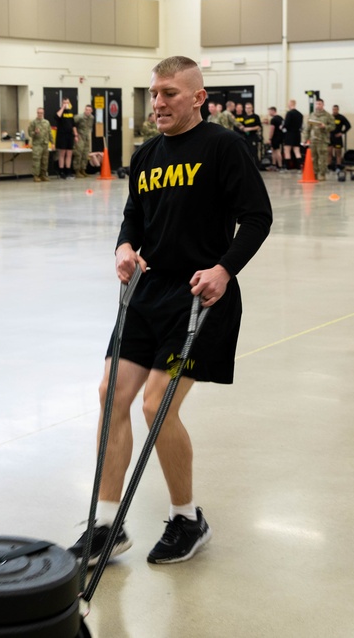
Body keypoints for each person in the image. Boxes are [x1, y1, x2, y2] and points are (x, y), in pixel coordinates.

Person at [66, 56, 272, 566]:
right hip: (146, 295)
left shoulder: (225, 147)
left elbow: (257, 218)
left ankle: (187, 518)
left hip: (201, 299)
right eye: (154, 93)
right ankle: (107, 526)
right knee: (110, 395)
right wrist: (123, 248)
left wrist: (225, 269)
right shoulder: (146, 154)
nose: (158, 102)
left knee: (157, 405)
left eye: (170, 93)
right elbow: (133, 215)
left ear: (198, 97)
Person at [302, 98, 334, 180]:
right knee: (314, 158)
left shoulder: (328, 116)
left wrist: (325, 127)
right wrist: (305, 139)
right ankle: (315, 174)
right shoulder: (312, 115)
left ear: (323, 105)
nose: (318, 105)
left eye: (320, 104)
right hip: (313, 140)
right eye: (317, 104)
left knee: (322, 158)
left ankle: (322, 174)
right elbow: (307, 128)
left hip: (322, 140)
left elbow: (333, 127)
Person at [27, 107, 52, 183]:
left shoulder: (47, 122)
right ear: (37, 113)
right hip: (37, 144)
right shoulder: (33, 123)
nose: (40, 114)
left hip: (45, 144)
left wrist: (53, 142)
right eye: (38, 113)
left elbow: (49, 133)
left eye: (41, 113)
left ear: (43, 113)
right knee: (36, 161)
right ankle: (36, 176)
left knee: (45, 161)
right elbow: (30, 133)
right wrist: (35, 132)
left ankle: (43, 175)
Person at [54, 98, 77, 179]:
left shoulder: (71, 112)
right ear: (62, 103)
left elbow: (73, 124)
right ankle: (61, 171)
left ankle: (68, 170)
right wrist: (63, 108)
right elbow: (56, 117)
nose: (66, 103)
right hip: (62, 135)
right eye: (64, 102)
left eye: (67, 102)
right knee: (62, 154)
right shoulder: (60, 111)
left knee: (69, 154)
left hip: (70, 135)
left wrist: (76, 135)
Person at [73, 104, 95, 179]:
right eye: (86, 110)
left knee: (85, 154)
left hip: (86, 137)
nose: (87, 111)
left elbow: (89, 127)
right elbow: (73, 125)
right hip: (79, 136)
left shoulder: (91, 118)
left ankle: (83, 169)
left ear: (91, 111)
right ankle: (77, 171)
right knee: (78, 153)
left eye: (89, 110)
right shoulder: (79, 117)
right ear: (84, 110)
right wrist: (75, 134)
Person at [282, 100, 304, 170]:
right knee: (297, 150)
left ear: (291, 104)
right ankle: (300, 166)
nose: (288, 105)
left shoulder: (289, 113)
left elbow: (286, 124)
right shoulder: (300, 114)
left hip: (289, 134)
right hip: (297, 134)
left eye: (288, 104)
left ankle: (287, 167)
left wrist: (282, 127)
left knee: (287, 150)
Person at [329, 104, 351, 171]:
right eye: (333, 109)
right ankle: (329, 166)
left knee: (338, 153)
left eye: (335, 109)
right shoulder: (329, 117)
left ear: (338, 110)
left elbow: (348, 126)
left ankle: (338, 166)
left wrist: (342, 133)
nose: (334, 111)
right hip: (330, 137)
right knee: (329, 152)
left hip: (337, 138)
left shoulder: (341, 117)